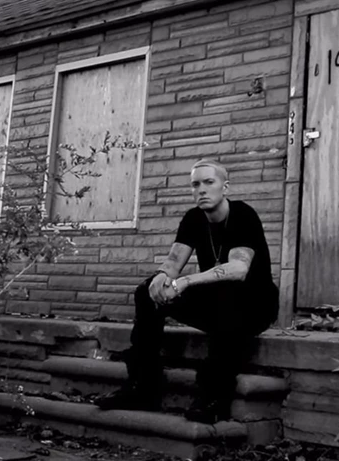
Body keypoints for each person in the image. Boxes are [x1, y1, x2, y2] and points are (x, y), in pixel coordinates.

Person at [95, 159, 280, 424]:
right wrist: (161, 277)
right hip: (217, 303)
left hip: (255, 306)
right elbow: (172, 264)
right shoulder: (193, 218)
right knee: (146, 292)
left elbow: (239, 269)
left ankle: (214, 398)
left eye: (209, 182)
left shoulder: (243, 215)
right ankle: (141, 387)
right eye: (195, 184)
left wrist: (185, 282)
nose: (201, 189)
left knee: (228, 294)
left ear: (225, 187)